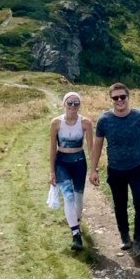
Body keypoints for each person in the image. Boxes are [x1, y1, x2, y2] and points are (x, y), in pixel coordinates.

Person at [89, 82, 140, 261]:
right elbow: (97, 146)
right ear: (111, 99)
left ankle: (139, 241)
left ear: (128, 97)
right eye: (115, 98)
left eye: (122, 97)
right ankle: (124, 235)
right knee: (120, 205)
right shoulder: (104, 120)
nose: (119, 100)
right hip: (116, 170)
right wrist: (94, 169)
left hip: (138, 169)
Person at [50, 91, 94, 251]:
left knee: (78, 197)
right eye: (70, 103)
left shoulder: (86, 123)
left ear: (80, 105)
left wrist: (94, 169)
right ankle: (75, 234)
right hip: (62, 162)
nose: (73, 106)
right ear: (64, 104)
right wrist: (51, 171)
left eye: (76, 103)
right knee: (68, 197)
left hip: (79, 163)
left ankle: (77, 221)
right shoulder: (56, 123)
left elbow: (90, 148)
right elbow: (52, 148)